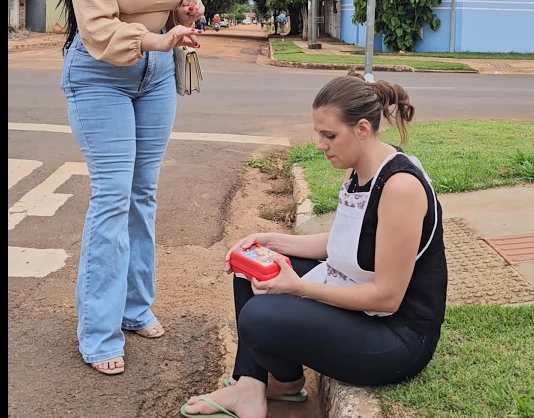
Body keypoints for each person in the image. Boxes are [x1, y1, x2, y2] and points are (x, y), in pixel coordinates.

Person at [180, 69, 447, 418]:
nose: (320, 145)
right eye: (318, 134)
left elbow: (387, 296)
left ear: (362, 129)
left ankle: (263, 386)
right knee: (253, 269)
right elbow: (345, 242)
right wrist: (273, 242)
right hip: (362, 302)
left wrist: (299, 288)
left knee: (260, 316)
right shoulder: (360, 168)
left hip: (397, 337)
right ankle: (260, 385)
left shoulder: (399, 187)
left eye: (329, 136)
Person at [55, 0, 206, 376]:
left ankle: (135, 308)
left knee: (144, 194)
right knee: (113, 197)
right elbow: (96, 28)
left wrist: (183, 12)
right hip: (100, 77)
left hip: (157, 76)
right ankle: (98, 333)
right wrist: (156, 38)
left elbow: (163, 5)